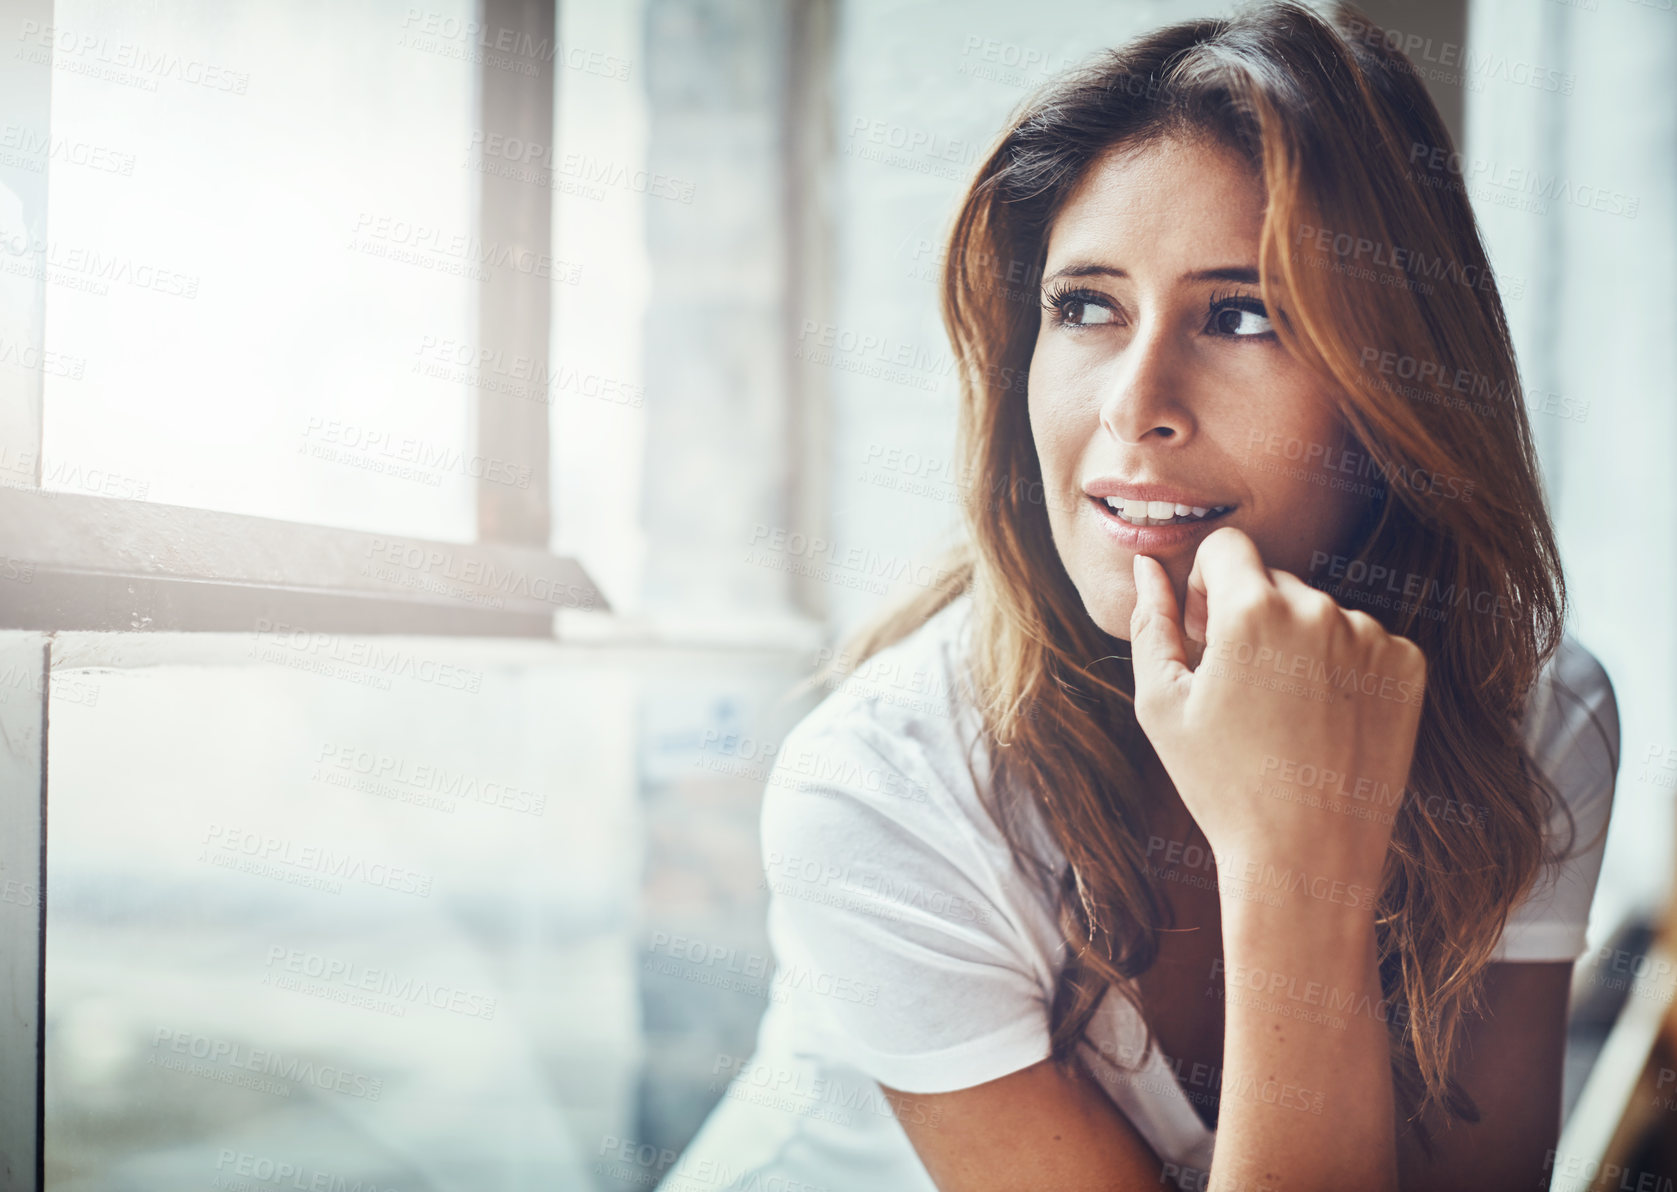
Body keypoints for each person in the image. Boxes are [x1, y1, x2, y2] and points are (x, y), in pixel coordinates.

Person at [661, 3, 1619, 1189]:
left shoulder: (1532, 717)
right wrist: (1292, 859)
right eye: (1086, 307)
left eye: (1243, 315)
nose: (1133, 402)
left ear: (1398, 390)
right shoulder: (882, 790)